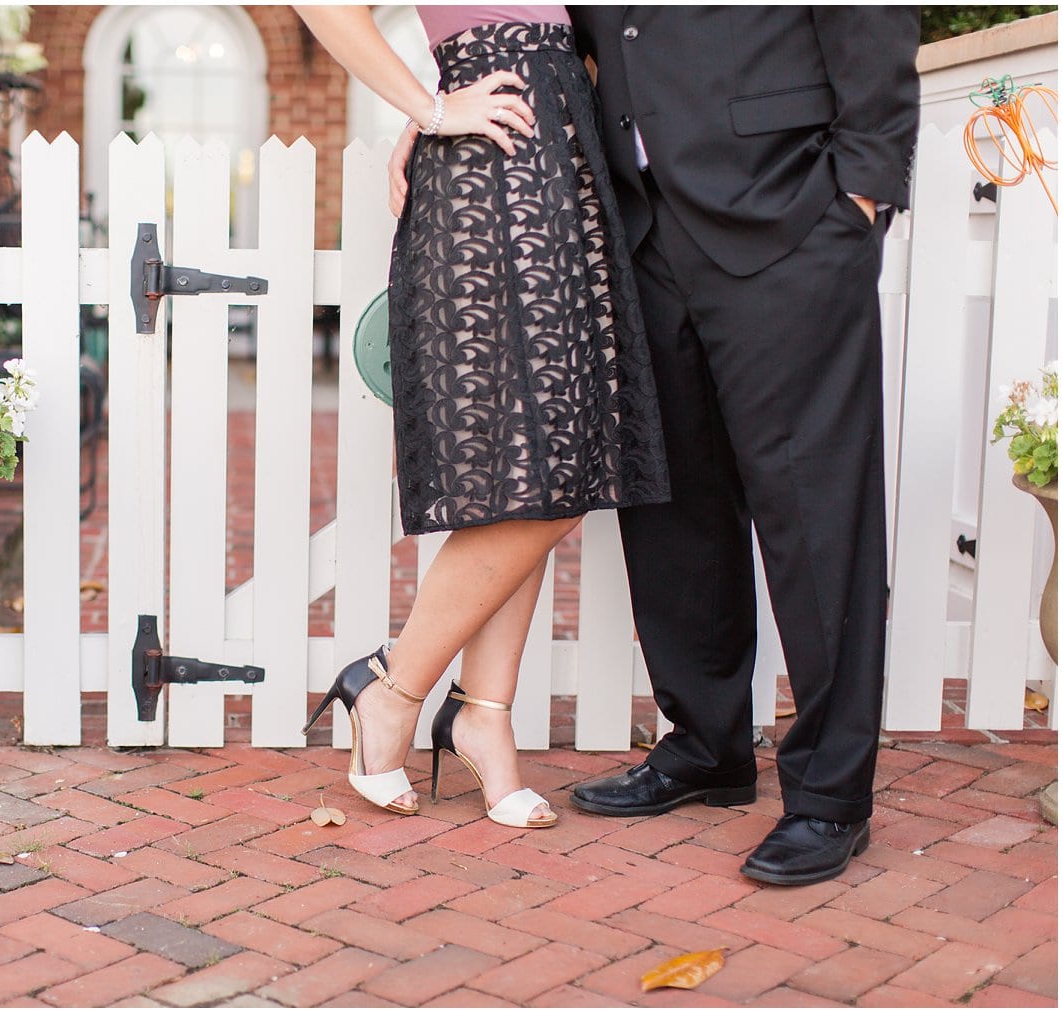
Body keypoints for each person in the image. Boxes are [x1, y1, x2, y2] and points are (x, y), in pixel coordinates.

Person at [389, 7, 919, 883]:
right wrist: (422, 111)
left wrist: (860, 194)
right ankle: (706, 744)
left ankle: (830, 796)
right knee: (672, 502)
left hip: (787, 212)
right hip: (640, 230)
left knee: (814, 511)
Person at [298, 5, 669, 828]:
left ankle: (480, 711)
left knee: (542, 459)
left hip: (565, 157)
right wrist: (431, 108)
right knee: (543, 461)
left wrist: (429, 104)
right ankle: (393, 688)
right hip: (489, 174)